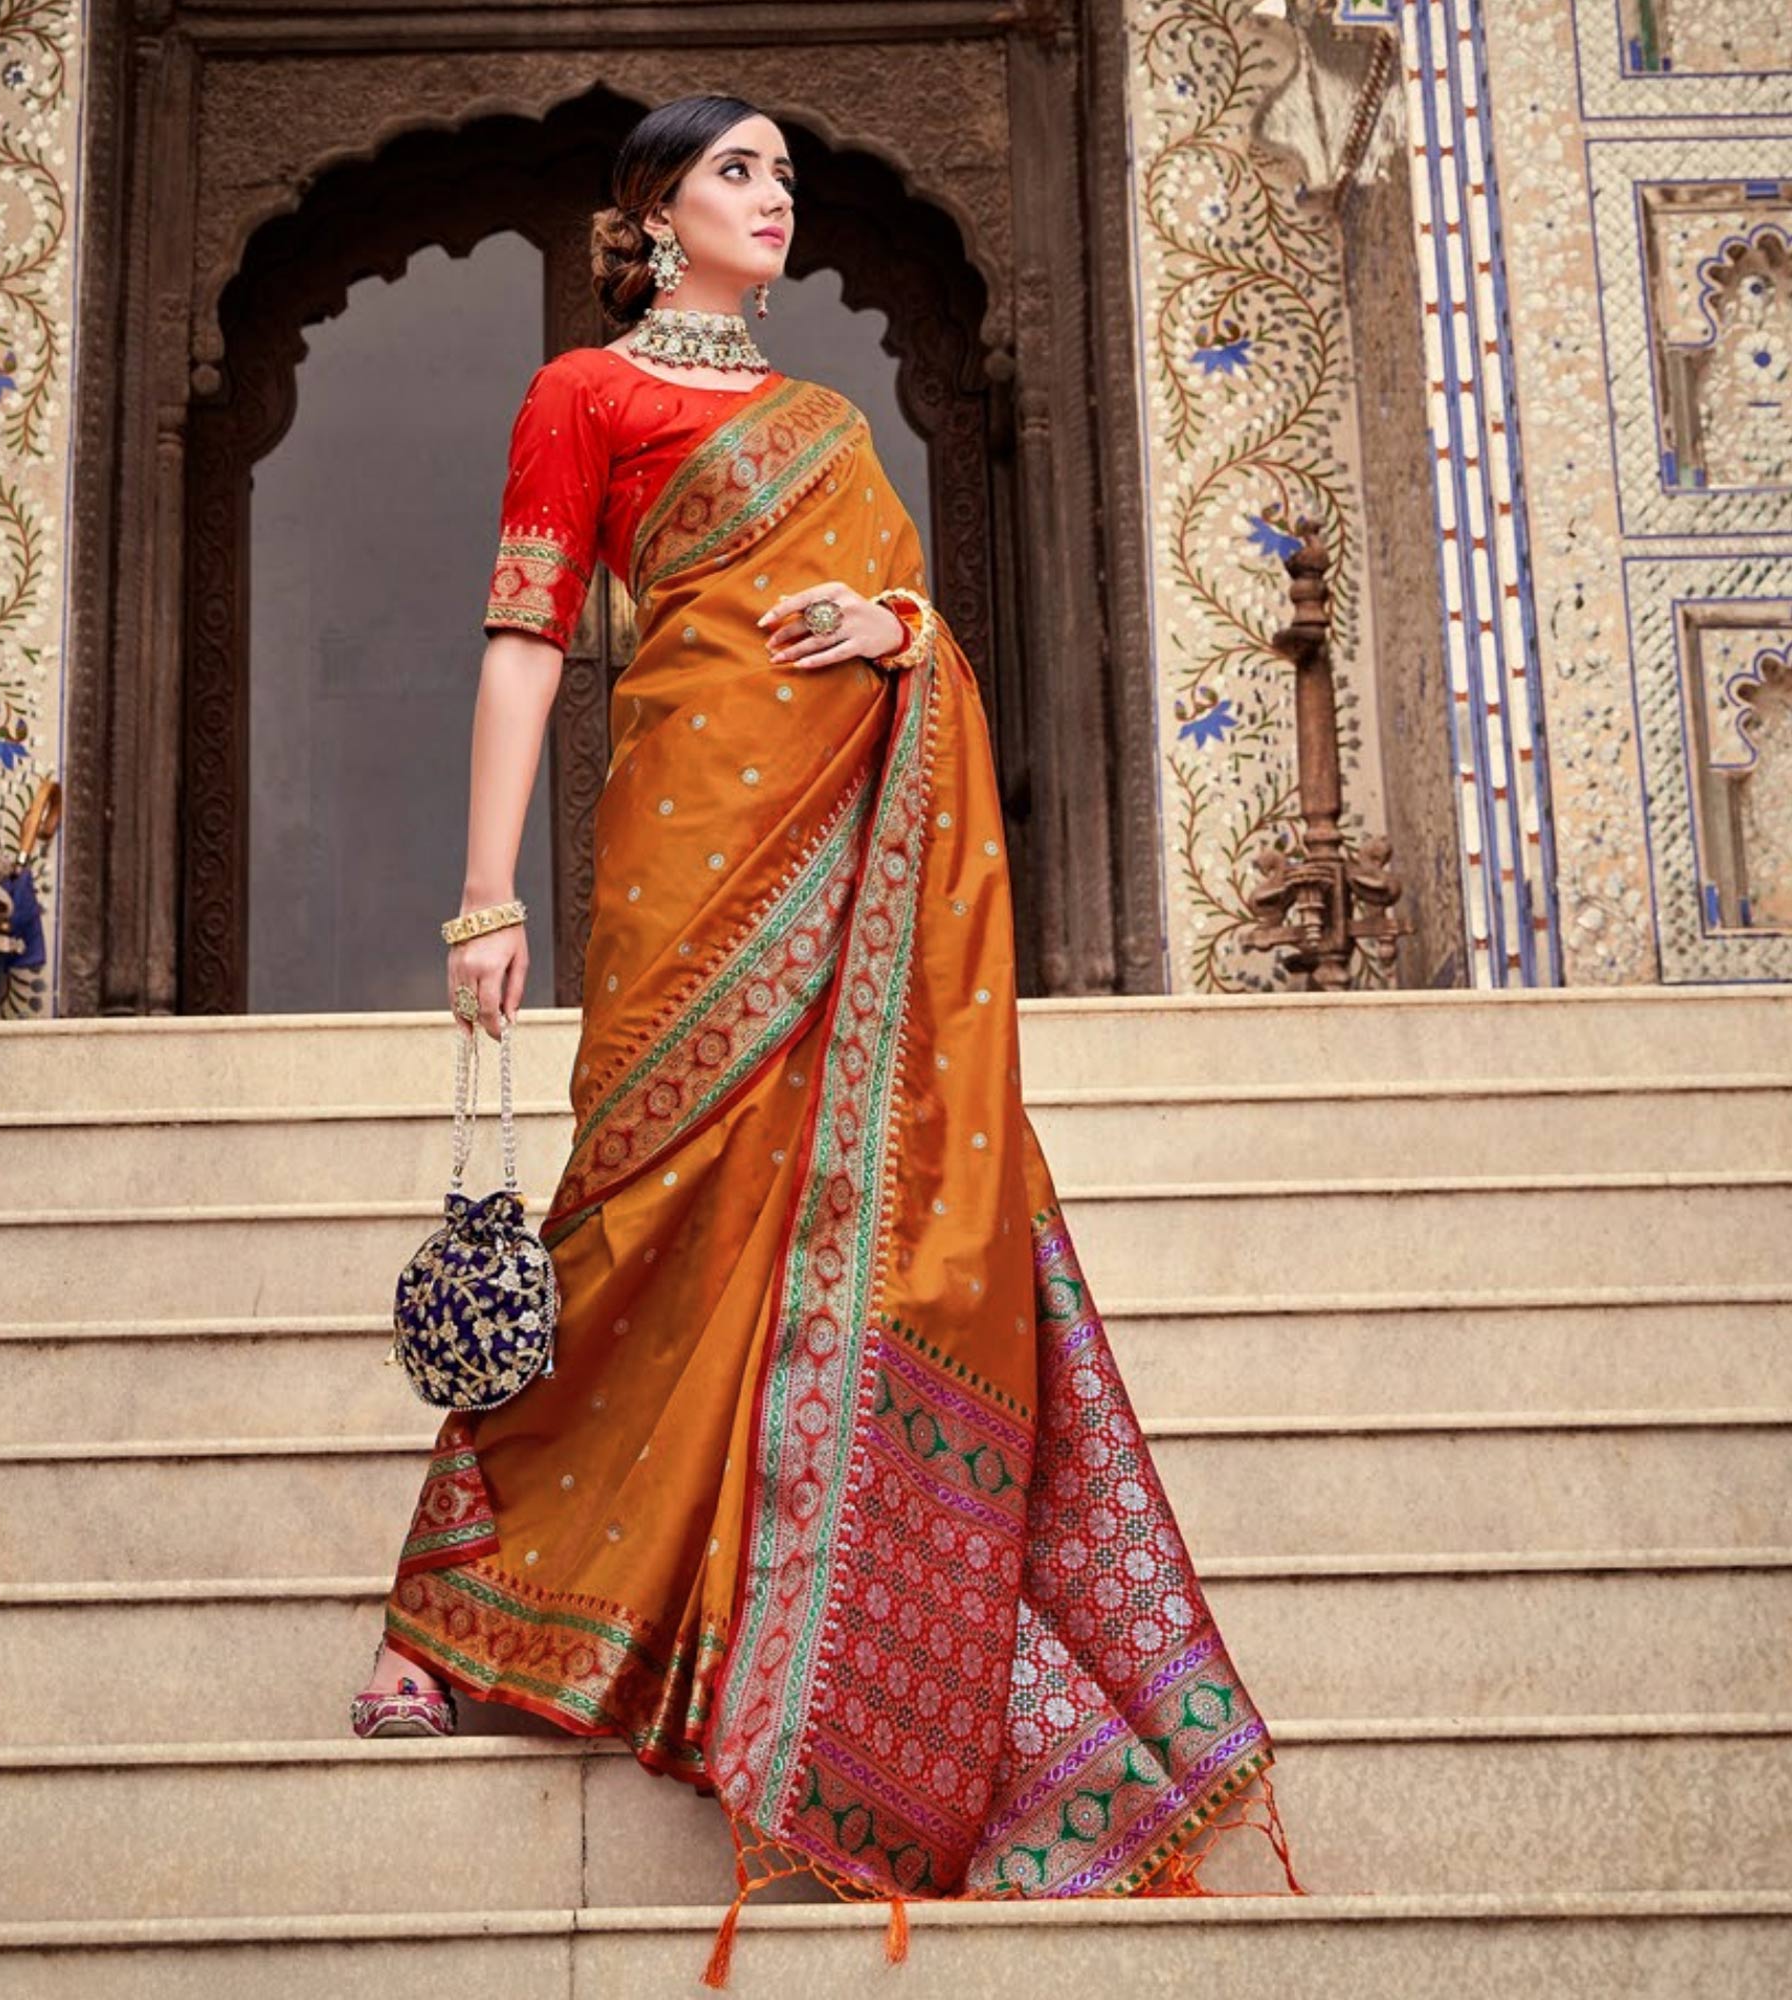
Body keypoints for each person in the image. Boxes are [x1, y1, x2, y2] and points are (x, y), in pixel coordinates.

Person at [351, 92, 1297, 1972]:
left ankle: (746, 1627)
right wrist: (483, 892)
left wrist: (895, 632)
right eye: (735, 172)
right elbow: (531, 639)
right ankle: (448, 1621)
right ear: (653, 212)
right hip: (683, 853)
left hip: (841, 858)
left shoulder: (834, 426)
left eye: (785, 173)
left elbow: (917, 622)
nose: (773, 198)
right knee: (629, 1219)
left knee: (804, 1237)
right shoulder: (584, 400)